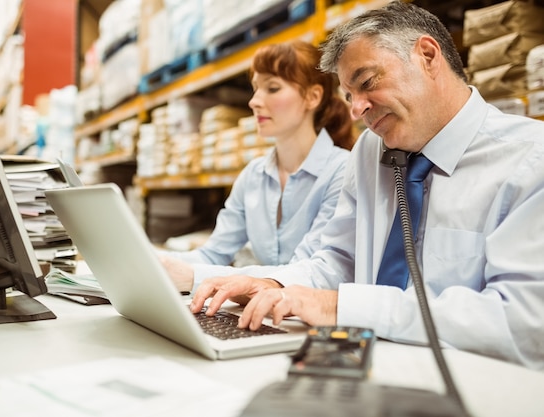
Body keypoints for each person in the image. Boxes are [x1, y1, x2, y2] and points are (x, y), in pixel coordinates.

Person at [189, 1, 544, 370]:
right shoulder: (371, 150)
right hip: (365, 366)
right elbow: (339, 259)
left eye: (368, 82)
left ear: (427, 55)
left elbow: (523, 324)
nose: (356, 109)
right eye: (348, 95)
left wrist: (340, 306)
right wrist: (275, 285)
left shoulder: (531, 162)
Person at [160, 40, 355, 293]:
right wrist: (157, 263)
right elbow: (214, 253)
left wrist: (195, 276)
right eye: (255, 89)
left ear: (312, 96)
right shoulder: (253, 175)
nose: (254, 101)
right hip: (263, 312)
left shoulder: (342, 171)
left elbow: (308, 270)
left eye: (272, 88)